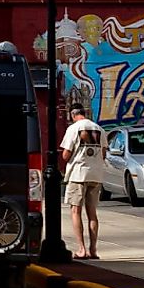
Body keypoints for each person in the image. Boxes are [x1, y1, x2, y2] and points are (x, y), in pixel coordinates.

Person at [58, 104, 104, 258]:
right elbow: (103, 153)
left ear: (73, 114)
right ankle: (93, 249)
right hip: (96, 174)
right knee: (92, 213)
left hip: (78, 174)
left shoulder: (73, 129)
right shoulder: (99, 128)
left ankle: (81, 249)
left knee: (75, 211)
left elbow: (66, 154)